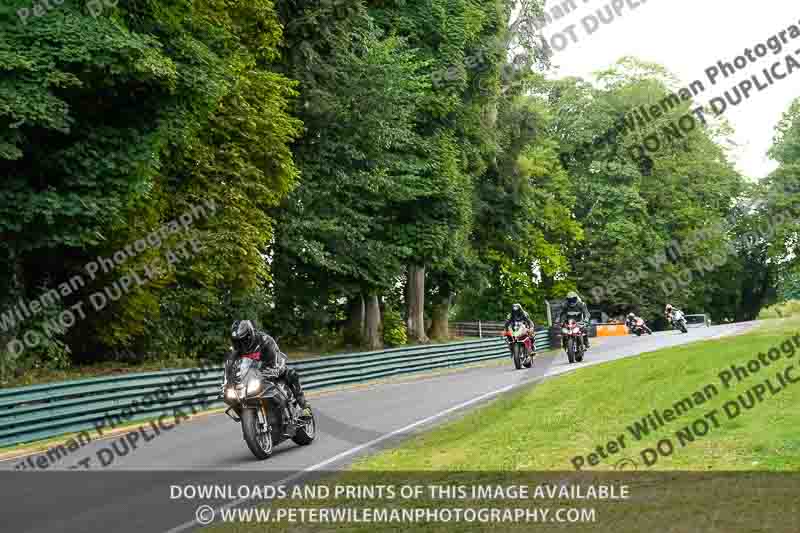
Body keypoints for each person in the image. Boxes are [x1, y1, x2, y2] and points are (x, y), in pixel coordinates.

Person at [226, 320, 311, 419]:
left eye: (243, 340)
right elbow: (229, 367)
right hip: (253, 377)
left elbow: (276, 356)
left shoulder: (265, 340)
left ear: (250, 335)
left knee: (290, 374)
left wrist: (275, 369)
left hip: (273, 367)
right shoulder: (236, 351)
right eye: (237, 341)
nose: (241, 344)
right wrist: (227, 384)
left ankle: (304, 405)